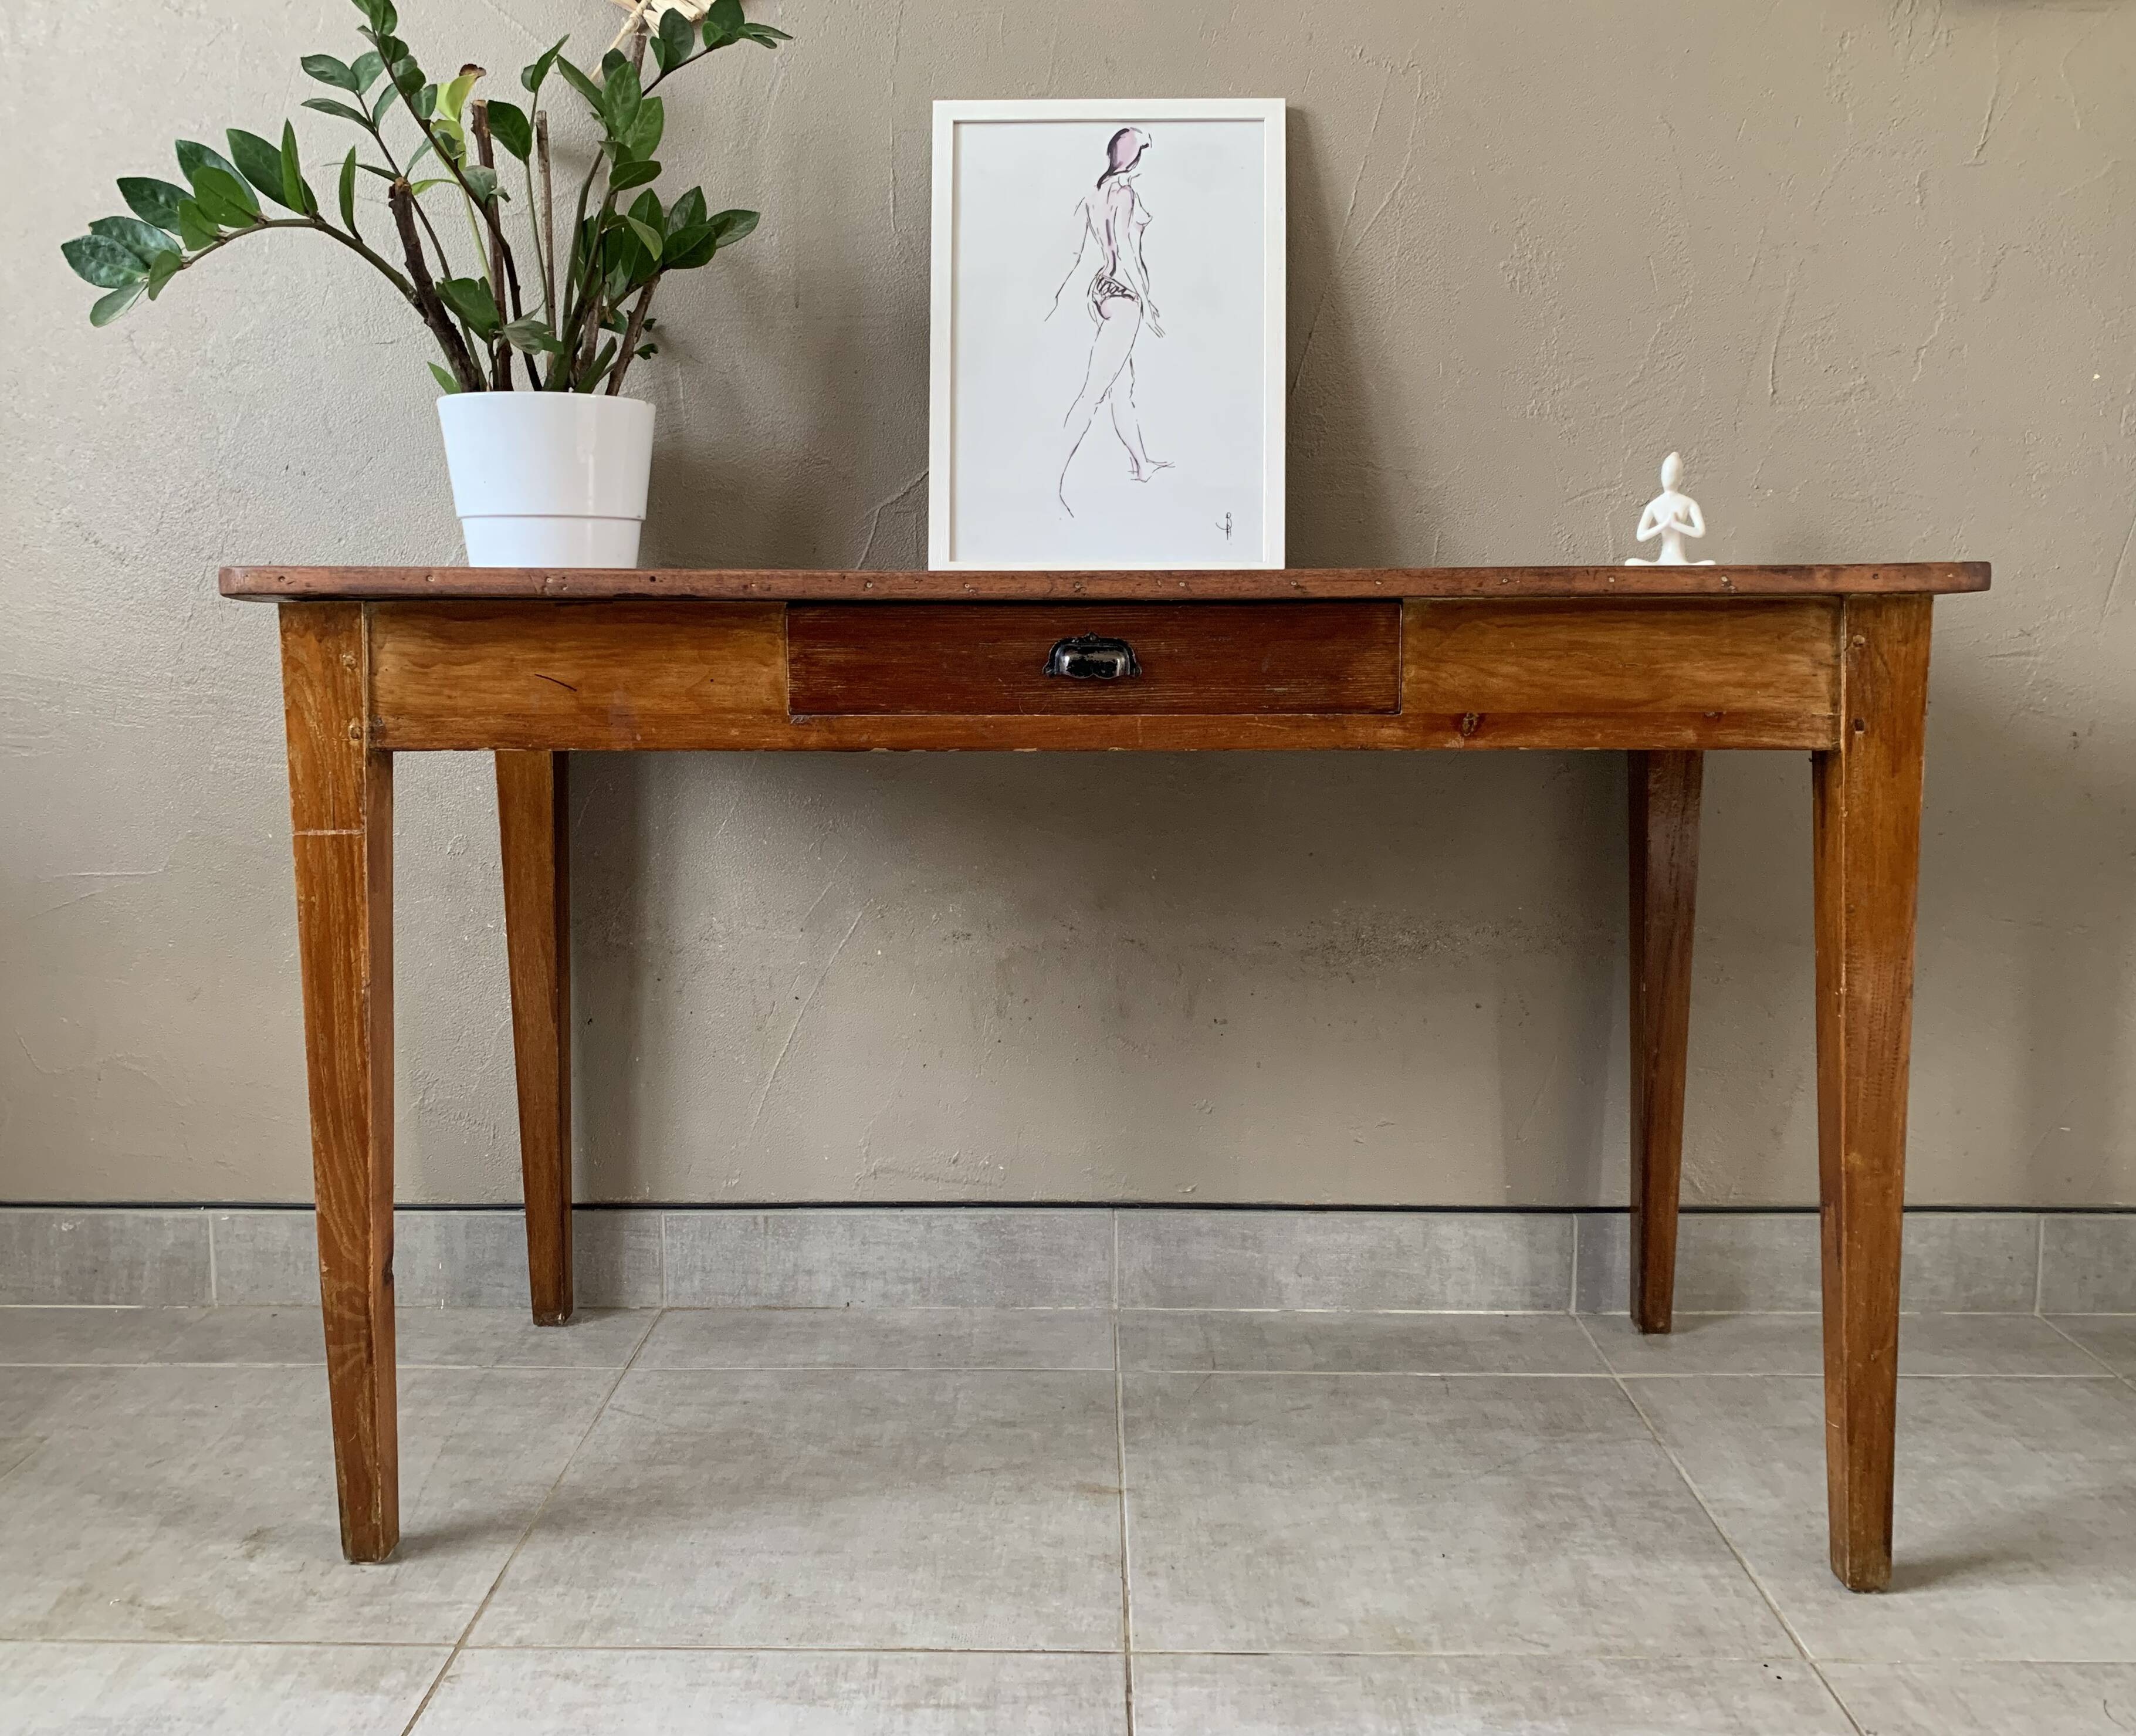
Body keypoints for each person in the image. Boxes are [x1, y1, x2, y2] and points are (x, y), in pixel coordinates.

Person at [1048, 127, 1170, 515]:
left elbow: (1091, 248)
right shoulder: (1124, 194)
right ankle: (1051, 484)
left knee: (1121, 388)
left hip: (1102, 292)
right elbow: (1126, 254)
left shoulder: (1095, 193)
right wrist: (1147, 303)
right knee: (1093, 393)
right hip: (1124, 297)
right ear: (1134, 158)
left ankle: (1141, 463)